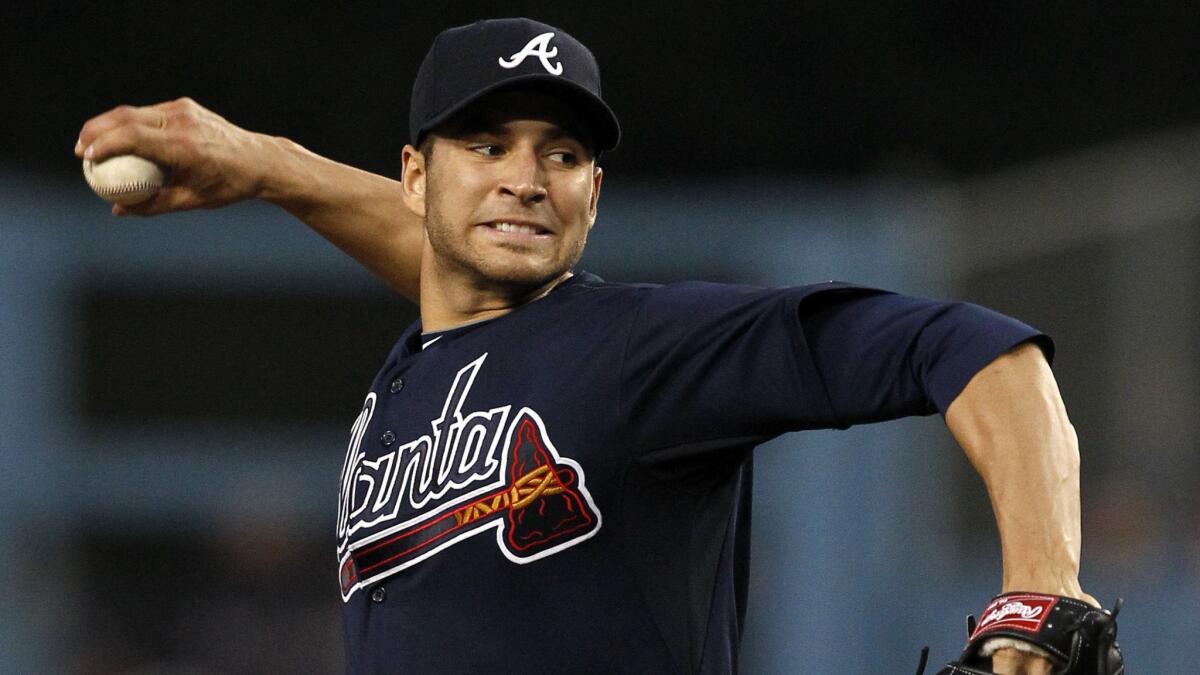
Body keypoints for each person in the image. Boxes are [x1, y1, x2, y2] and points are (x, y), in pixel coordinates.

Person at [76, 17, 1099, 675]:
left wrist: (1041, 586)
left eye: (561, 155)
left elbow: (972, 345)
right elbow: (450, 270)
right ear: (417, 177)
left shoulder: (647, 349)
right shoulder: (423, 363)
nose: (527, 178)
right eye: (487, 145)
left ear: (593, 195)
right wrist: (272, 167)